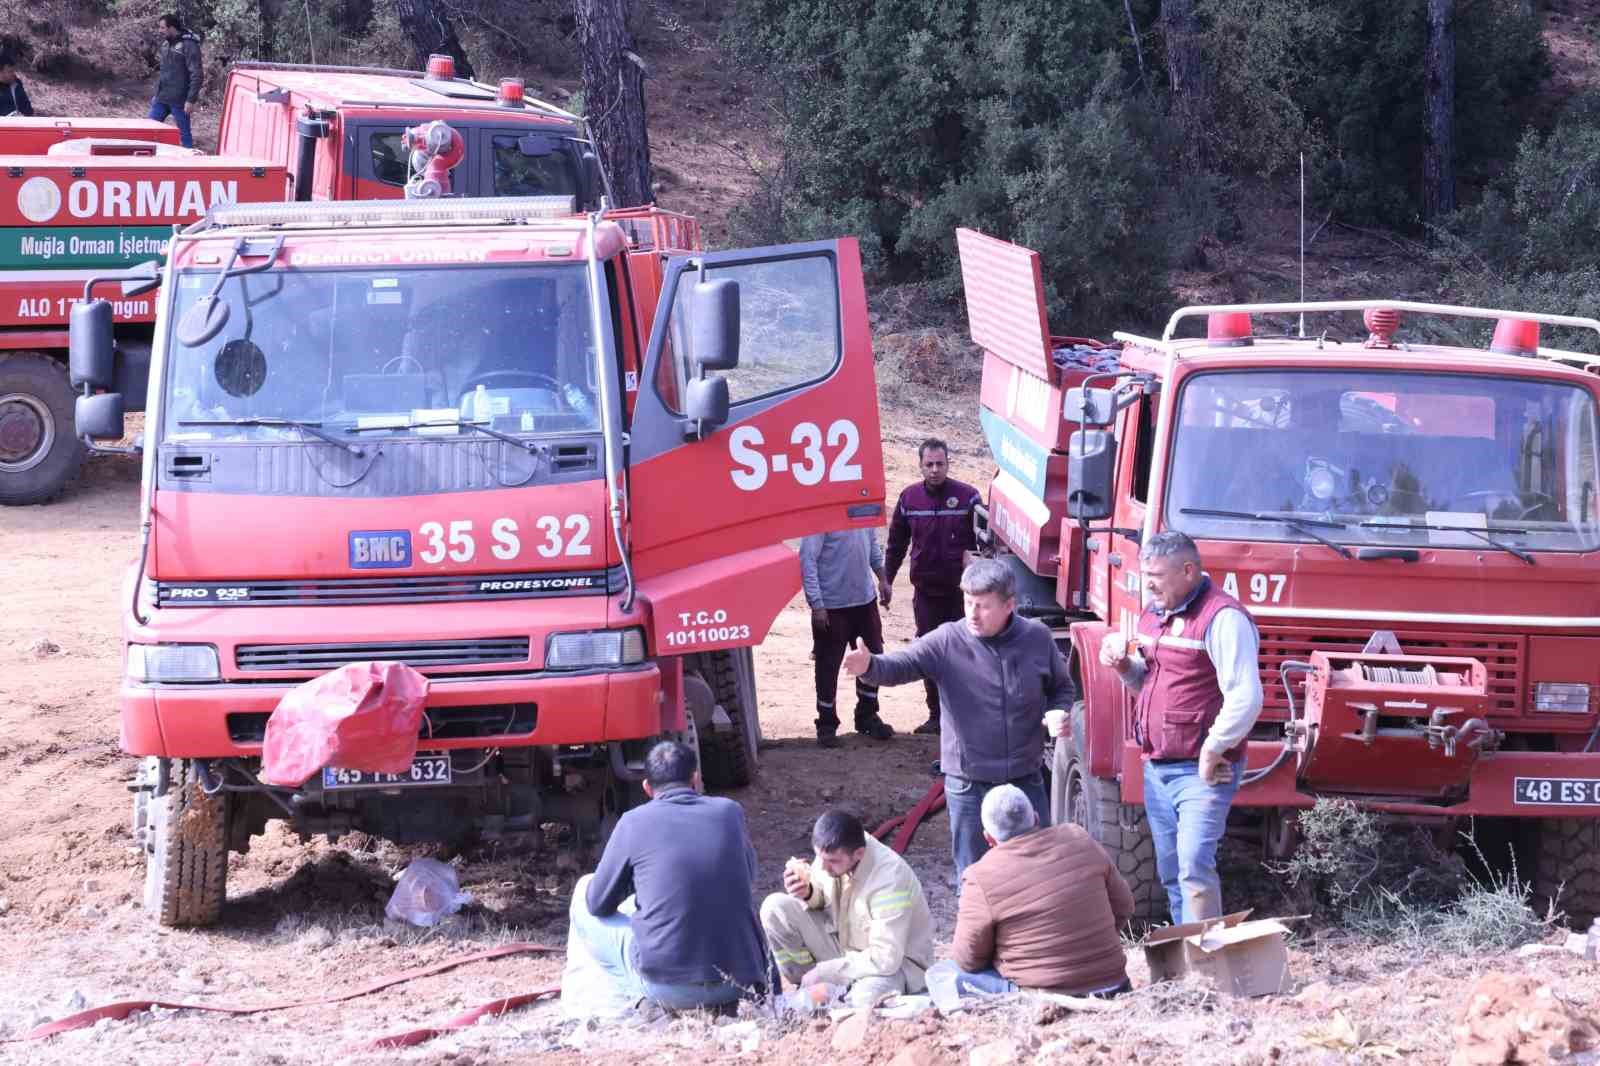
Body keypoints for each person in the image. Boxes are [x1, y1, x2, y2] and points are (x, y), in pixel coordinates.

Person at [844, 558, 1073, 884]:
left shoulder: (1036, 639)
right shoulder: (947, 641)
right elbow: (902, 664)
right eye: (968, 603)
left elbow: (1062, 688)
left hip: (1025, 779)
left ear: (1010, 604)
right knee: (974, 879)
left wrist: (1059, 712)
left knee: (1036, 875)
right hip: (969, 784)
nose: (973, 614)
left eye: (983, 606)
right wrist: (870, 666)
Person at [1096, 530, 1263, 925]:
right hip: (1158, 767)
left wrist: (1213, 749)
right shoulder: (1155, 612)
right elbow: (1149, 684)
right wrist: (1123, 666)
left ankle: (1208, 962)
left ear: (1188, 570)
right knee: (1172, 871)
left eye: (1157, 575)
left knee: (1193, 868)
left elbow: (1246, 696)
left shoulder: (1224, 619)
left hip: (1199, 772)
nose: (1148, 584)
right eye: (1145, 574)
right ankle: (1187, 956)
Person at [569, 740, 771, 1011]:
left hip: (668, 990)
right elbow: (748, 875)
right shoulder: (729, 812)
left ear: (647, 788)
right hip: (739, 985)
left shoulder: (633, 822)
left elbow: (597, 904)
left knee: (583, 893)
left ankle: (602, 1007)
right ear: (696, 779)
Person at [945, 785, 1132, 998]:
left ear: (988, 838)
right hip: (1115, 985)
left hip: (1043, 998)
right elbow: (1124, 906)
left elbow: (967, 959)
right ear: (1035, 817)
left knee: (941, 974)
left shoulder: (980, 876)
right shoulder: (1079, 838)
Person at [761, 809, 933, 1007]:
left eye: (832, 862)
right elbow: (823, 899)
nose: (823, 867)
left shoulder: (889, 880)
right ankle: (807, 986)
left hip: (893, 966)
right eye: (820, 857)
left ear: (859, 854)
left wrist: (826, 972)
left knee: (864, 998)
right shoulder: (835, 852)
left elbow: (886, 959)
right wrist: (808, 893)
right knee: (774, 907)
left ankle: (831, 996)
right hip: (845, 951)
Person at [885, 439, 982, 734]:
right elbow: (896, 544)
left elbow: (989, 542)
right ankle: (935, 715)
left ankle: (964, 715)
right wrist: (886, 579)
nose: (935, 470)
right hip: (926, 594)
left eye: (940, 464)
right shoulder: (908, 498)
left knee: (967, 653)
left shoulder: (969, 497)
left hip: (962, 594)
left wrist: (976, 560)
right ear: (920, 465)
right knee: (930, 652)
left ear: (949, 463)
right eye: (929, 464)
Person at [799, 528, 894, 748]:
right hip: (832, 606)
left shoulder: (860, 511)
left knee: (872, 659)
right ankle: (826, 724)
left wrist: (883, 579)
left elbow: (872, 548)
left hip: (865, 602)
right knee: (828, 667)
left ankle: (867, 716)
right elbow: (808, 561)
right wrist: (817, 604)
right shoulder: (820, 516)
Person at [150, 13, 202, 148]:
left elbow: (197, 74)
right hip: (161, 98)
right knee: (149, 131)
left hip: (180, 101)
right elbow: (165, 71)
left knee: (185, 137)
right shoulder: (166, 44)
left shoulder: (189, 45)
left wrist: (191, 100)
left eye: (162, 28)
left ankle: (189, 165)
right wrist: (156, 94)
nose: (160, 31)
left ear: (172, 27)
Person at [0, 51, 33, 117]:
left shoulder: (16, 84)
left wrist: (22, 115)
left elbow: (27, 107)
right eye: (10, 71)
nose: (13, 74)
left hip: (17, 123)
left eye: (13, 71)